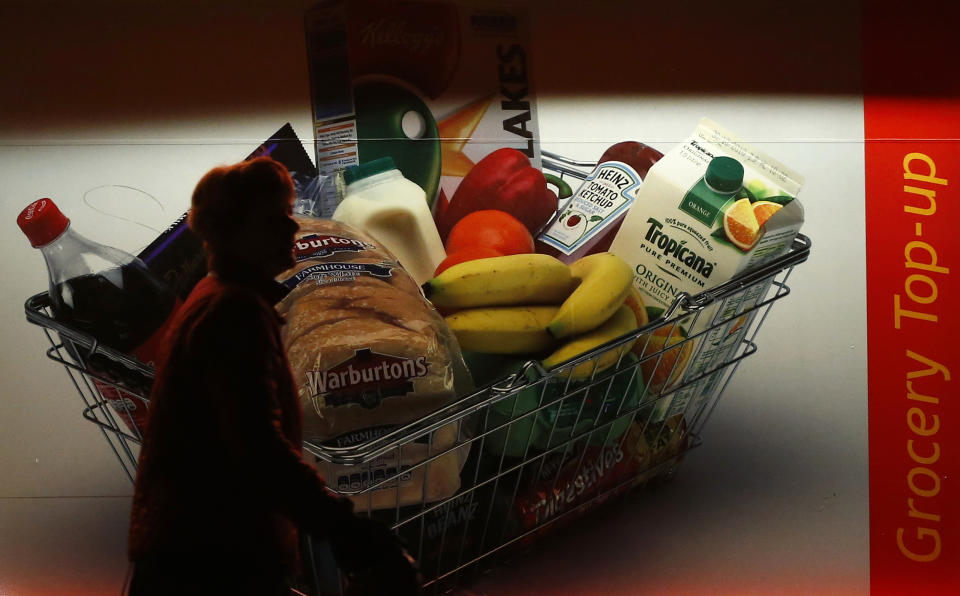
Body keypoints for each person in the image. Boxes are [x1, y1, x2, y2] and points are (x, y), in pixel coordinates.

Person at [127, 157, 420, 595]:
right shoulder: (235, 312)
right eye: (273, 219)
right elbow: (258, 447)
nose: (290, 230)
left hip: (189, 546)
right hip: (212, 557)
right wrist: (346, 529)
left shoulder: (214, 296)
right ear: (233, 232)